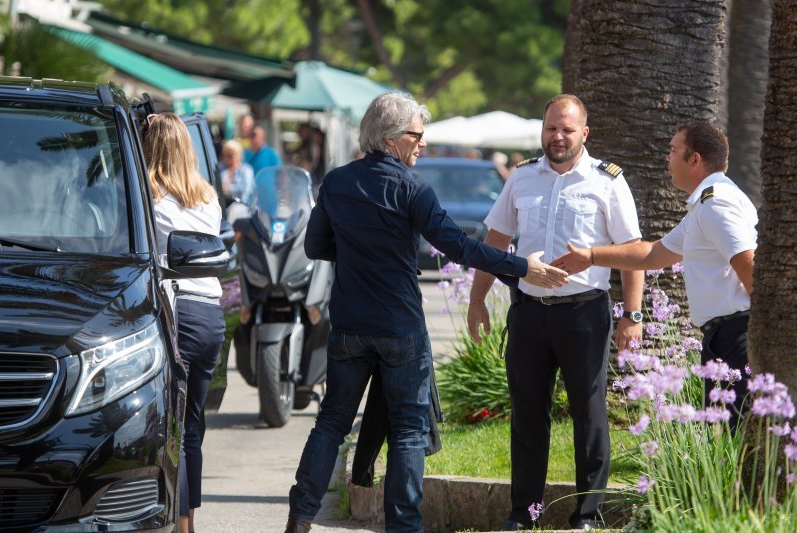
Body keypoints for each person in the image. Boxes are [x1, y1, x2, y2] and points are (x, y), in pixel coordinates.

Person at [284, 91, 569, 533]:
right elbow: (456, 245)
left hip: (350, 327)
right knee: (408, 431)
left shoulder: (337, 182)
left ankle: (300, 519)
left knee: (332, 422)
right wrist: (521, 266)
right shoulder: (412, 187)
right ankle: (405, 527)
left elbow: (315, 245)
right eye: (417, 136)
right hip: (400, 326)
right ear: (393, 138)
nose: (423, 144)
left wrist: (359, 249)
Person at [467, 94, 644, 530]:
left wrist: (632, 315)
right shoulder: (522, 178)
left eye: (567, 129)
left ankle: (587, 514)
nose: (558, 137)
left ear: (584, 133)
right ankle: (524, 513)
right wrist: (476, 301)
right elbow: (495, 241)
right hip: (528, 312)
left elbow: (632, 253)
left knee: (589, 413)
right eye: (551, 128)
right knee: (528, 413)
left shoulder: (607, 181)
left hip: (584, 315)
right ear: (542, 130)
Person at [553, 121, 757, 432]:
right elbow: (653, 254)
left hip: (738, 335)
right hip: (724, 335)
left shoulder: (716, 205)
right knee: (729, 441)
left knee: (743, 439)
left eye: (674, 151)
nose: (667, 158)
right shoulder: (705, 205)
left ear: (695, 160)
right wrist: (592, 256)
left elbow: (749, 267)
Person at [142, 113, 226, 533]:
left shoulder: (150, 200)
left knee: (169, 427)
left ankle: (177, 517)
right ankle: (187, 520)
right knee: (192, 424)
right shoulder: (208, 198)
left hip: (179, 315)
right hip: (212, 314)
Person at [219, 139, 255, 205]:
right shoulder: (220, 168)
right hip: (222, 205)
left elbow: (246, 190)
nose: (228, 157)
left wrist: (228, 189)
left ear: (239, 154)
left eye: (231, 154)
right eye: (226, 154)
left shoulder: (246, 170)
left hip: (241, 206)